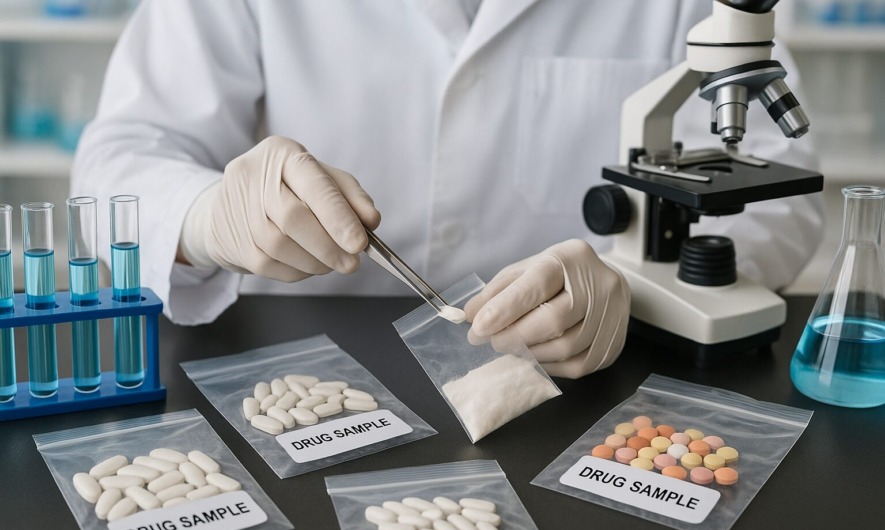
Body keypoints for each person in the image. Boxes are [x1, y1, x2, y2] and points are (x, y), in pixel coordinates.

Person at [71, 0, 823, 379]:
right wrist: (205, 217)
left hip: (579, 376)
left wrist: (632, 286)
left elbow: (782, 192)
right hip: (302, 367)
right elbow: (123, 155)